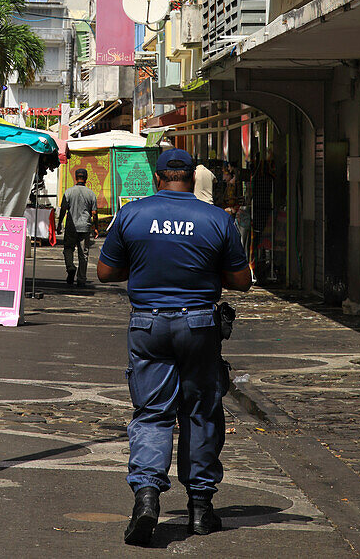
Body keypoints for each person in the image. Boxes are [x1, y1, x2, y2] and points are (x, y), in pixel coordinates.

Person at [96, 147, 252, 547]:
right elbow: (241, 280)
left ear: (158, 177)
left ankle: (147, 497)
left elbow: (106, 272)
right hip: (199, 323)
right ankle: (200, 508)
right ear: (193, 177)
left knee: (152, 413)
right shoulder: (217, 219)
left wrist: (145, 266)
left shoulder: (133, 214)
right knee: (201, 411)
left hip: (148, 323)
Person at [57, 168, 98, 288]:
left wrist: (59, 224)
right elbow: (94, 213)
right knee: (83, 254)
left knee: (68, 248)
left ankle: (70, 266)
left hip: (71, 226)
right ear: (86, 178)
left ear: (75, 177)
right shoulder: (91, 194)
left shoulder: (68, 192)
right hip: (85, 227)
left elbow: (63, 209)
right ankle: (81, 279)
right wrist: (95, 227)